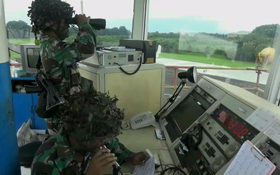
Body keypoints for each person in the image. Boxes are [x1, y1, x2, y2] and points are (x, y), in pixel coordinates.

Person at [31, 90, 150, 175]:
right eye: (102, 139)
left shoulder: (95, 138)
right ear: (81, 136)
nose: (106, 141)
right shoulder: (46, 164)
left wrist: (130, 157)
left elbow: (114, 145)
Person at [27, 0, 95, 133]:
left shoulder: (50, 45)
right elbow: (87, 48)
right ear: (52, 24)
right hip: (65, 120)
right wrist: (84, 24)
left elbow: (75, 50)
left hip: (64, 116)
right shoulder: (54, 47)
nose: (68, 27)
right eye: (65, 22)